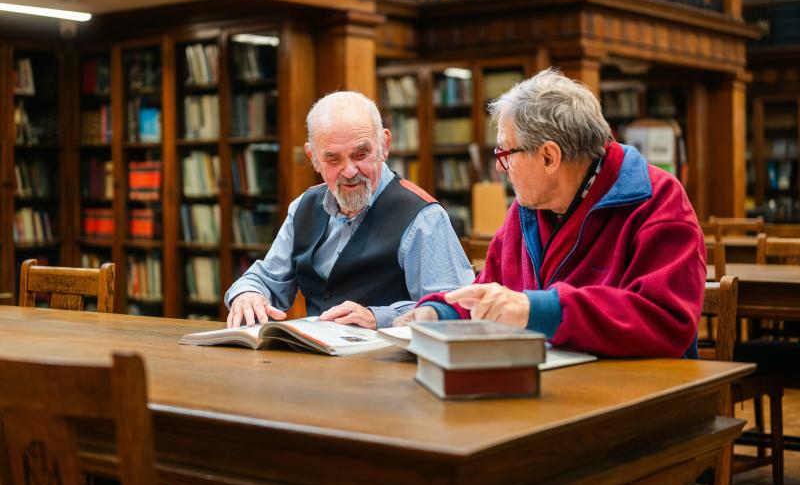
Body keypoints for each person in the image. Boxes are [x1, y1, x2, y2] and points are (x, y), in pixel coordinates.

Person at [397, 68, 705, 358]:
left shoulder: (657, 200)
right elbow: (491, 293)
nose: (498, 167)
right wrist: (439, 313)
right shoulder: (528, 208)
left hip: (641, 396)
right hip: (549, 384)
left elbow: (666, 321)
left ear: (548, 157)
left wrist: (539, 311)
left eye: (505, 153)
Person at [225, 91, 474, 329]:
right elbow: (267, 279)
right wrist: (248, 294)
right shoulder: (303, 208)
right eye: (333, 159)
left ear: (384, 145)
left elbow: (455, 307)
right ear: (313, 158)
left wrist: (380, 317)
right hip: (317, 362)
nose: (350, 171)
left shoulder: (424, 218)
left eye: (361, 153)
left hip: (389, 362)